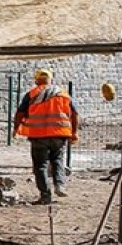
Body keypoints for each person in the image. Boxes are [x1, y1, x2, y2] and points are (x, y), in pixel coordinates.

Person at [13, 69, 79, 205]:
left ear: (37, 80)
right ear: (50, 79)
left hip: (38, 135)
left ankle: (45, 195)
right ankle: (60, 185)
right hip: (59, 134)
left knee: (40, 166)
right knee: (57, 161)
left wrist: (15, 129)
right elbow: (75, 113)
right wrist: (74, 133)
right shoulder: (63, 94)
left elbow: (19, 113)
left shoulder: (32, 94)